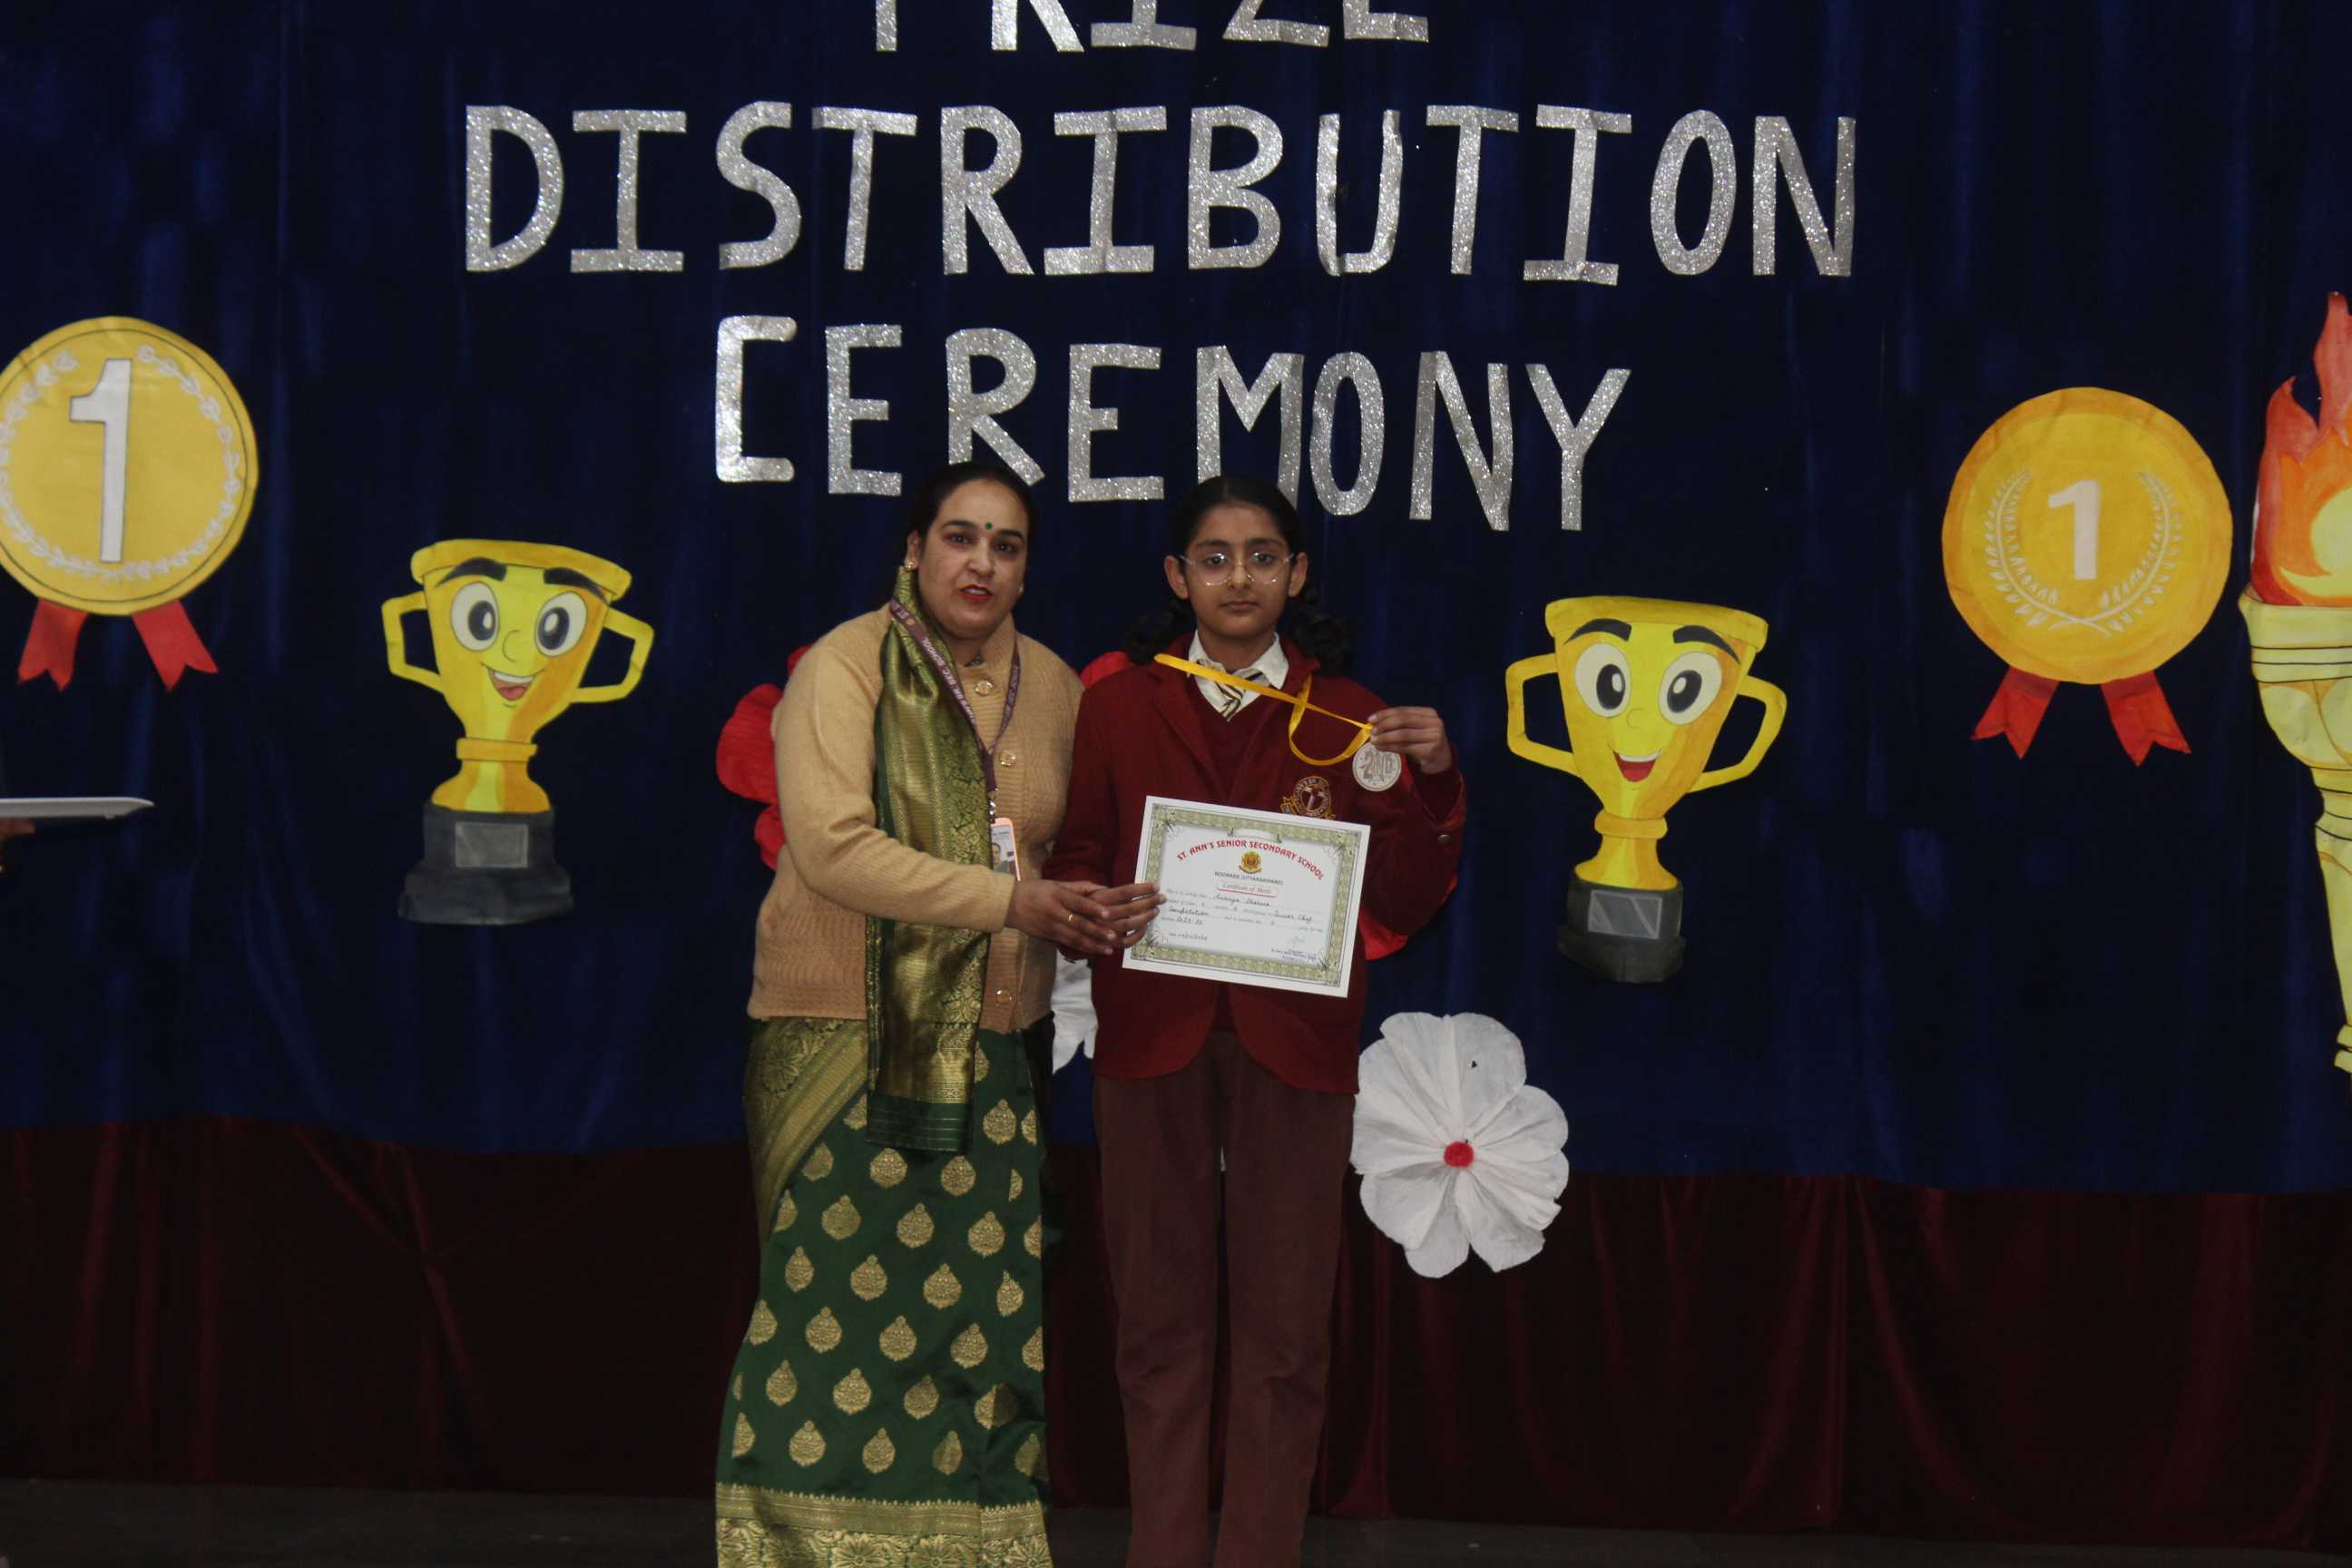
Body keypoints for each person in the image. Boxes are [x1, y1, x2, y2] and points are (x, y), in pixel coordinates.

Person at [717, 460, 1161, 1566]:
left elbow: (1076, 844)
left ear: (1027, 570)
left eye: (1007, 545)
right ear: (914, 550)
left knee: (977, 1329)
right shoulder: (846, 665)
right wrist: (1014, 902)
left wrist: (1101, 906)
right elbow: (833, 849)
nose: (982, 563)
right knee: (831, 1329)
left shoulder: (1054, 687)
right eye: (960, 537)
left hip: (996, 1041)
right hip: (844, 1035)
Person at [1045, 474, 1466, 1568]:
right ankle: (1163, 1552)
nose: (1240, 577)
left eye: (1264, 556)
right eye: (1215, 557)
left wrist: (1432, 784)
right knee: (1157, 1331)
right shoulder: (1120, 706)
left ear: (1298, 574)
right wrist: (1088, 906)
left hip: (1297, 1048)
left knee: (1284, 1337)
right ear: (1178, 577)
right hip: (1152, 1037)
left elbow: (1406, 896)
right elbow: (1081, 852)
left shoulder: (1350, 716)